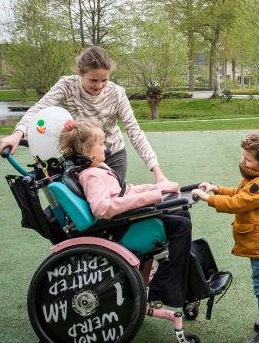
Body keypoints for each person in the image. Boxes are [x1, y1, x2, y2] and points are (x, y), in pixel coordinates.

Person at [59, 119, 192, 308]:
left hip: (126, 221)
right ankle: (165, 287)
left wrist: (158, 188)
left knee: (182, 213)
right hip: (121, 229)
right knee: (182, 224)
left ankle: (172, 282)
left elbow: (125, 190)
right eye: (101, 144)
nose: (105, 147)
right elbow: (102, 208)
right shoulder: (90, 176)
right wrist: (152, 196)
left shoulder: (99, 168)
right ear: (86, 150)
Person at [0, 46, 167, 182]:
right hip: (80, 157)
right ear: (81, 74)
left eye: (105, 80)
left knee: (114, 207)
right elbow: (38, 109)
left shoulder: (117, 93)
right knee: (82, 211)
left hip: (113, 154)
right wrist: (18, 133)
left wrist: (157, 171)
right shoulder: (67, 86)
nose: (100, 86)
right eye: (93, 80)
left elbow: (134, 131)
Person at [192, 132, 259, 343]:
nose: (243, 161)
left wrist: (209, 198)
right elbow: (239, 193)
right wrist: (216, 188)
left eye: (248, 159)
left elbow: (239, 203)